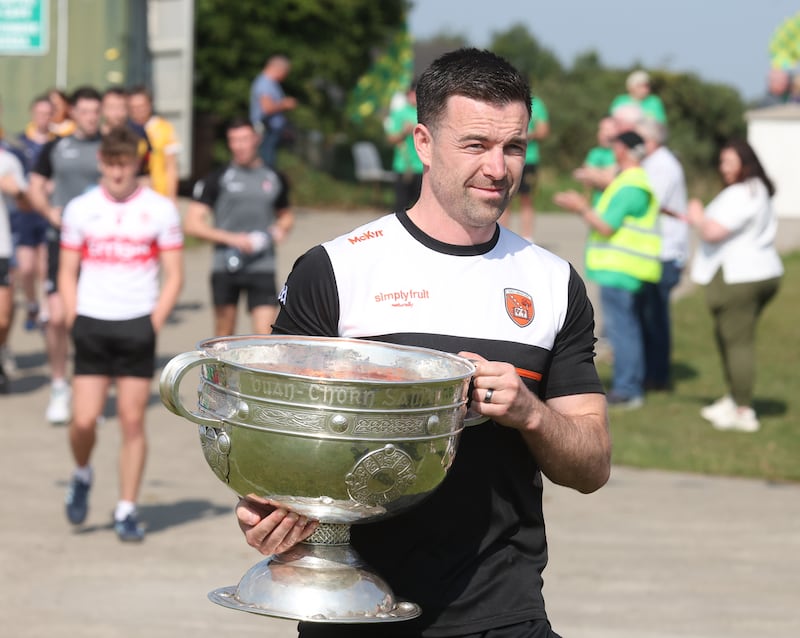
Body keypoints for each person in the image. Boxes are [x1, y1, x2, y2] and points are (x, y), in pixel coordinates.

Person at [235, 48, 611, 638]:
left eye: (513, 147)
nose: (498, 167)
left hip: (500, 610)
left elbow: (592, 465)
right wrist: (264, 515)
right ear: (423, 142)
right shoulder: (336, 270)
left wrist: (529, 413)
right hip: (352, 606)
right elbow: (276, 436)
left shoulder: (553, 283)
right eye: (476, 145)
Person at [58, 126, 184, 541]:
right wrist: (75, 315)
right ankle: (82, 472)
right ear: (101, 163)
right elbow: (66, 270)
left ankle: (126, 508)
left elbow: (174, 275)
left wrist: (154, 321)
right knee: (84, 420)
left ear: (137, 163)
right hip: (92, 322)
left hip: (136, 324)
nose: (117, 172)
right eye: (110, 164)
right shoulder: (79, 208)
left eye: (124, 164)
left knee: (132, 421)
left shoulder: (160, 209)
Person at [554, 131, 662, 409]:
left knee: (622, 331)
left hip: (621, 269)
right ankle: (631, 384)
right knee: (628, 329)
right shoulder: (629, 181)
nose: (613, 150)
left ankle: (627, 389)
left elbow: (605, 225)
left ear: (623, 150)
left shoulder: (630, 186)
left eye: (616, 145)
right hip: (624, 270)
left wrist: (581, 207)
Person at [687, 139, 783, 433]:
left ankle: (744, 411)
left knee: (738, 342)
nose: (724, 167)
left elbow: (714, 231)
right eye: (722, 161)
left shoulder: (743, 192)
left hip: (740, 276)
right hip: (760, 271)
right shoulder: (757, 190)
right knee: (731, 337)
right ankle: (733, 398)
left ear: (746, 161)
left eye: (730, 161)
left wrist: (697, 216)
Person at [28, 86, 103, 424]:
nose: (90, 117)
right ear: (73, 113)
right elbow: (33, 188)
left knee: (93, 321)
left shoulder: (110, 147)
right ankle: (60, 385)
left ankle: (90, 389)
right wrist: (50, 214)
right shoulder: (55, 147)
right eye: (84, 111)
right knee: (58, 317)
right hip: (62, 244)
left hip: (100, 248)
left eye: (95, 111)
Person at [184, 118, 293, 336]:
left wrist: (279, 229)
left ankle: (259, 371)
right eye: (233, 140)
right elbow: (192, 224)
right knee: (224, 333)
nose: (239, 146)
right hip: (226, 266)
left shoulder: (274, 176)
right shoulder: (218, 178)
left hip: (262, 265)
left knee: (265, 336)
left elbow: (286, 215)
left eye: (244, 139)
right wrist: (233, 239)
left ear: (256, 139)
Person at [635, 118, 688, 392]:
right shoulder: (655, 163)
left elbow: (648, 200)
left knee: (656, 317)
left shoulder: (663, 165)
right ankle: (651, 372)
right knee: (649, 315)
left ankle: (658, 376)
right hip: (655, 250)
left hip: (665, 251)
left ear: (651, 140)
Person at [13, 95, 54, 331]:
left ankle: (46, 309)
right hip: (25, 214)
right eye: (40, 113)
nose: (43, 118)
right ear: (32, 114)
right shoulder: (19, 143)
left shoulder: (58, 143)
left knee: (45, 266)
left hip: (47, 211)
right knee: (26, 267)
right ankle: (31, 305)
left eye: (48, 113)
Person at [499, 94, 550, 240]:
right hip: (506, 158)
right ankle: (502, 235)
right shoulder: (505, 100)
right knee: (503, 197)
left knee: (527, 199)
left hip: (529, 159)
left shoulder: (537, 104)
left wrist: (524, 136)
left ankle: (527, 237)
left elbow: (544, 130)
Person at [0, 141, 27, 392]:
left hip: (1, 247)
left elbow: (26, 203)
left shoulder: (7, 160)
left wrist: (17, 192)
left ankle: (2, 347)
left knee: (3, 316)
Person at [127, 85, 181, 201]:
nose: (138, 111)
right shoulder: (125, 130)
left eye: (141, 106)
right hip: (131, 193)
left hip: (159, 193)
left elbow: (171, 166)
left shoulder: (164, 128)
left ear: (150, 104)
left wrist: (172, 196)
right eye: (133, 107)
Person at [250, 54, 297, 168]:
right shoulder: (265, 83)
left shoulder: (270, 83)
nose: (285, 76)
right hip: (267, 130)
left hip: (270, 130)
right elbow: (267, 108)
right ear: (279, 69)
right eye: (285, 73)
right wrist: (285, 104)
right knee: (266, 163)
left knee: (268, 160)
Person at [384, 81, 423, 211]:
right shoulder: (399, 113)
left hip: (423, 166)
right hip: (405, 165)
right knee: (401, 204)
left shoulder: (425, 113)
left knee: (421, 206)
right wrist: (404, 132)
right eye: (411, 94)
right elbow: (390, 139)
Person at [101, 86, 151, 178]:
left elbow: (147, 168)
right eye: (112, 107)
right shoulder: (95, 136)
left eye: (121, 107)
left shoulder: (139, 134)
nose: (117, 113)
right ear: (102, 109)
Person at [572, 116, 619, 207]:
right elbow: (586, 180)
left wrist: (592, 175)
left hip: (614, 203)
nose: (603, 133)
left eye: (608, 129)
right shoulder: (594, 153)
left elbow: (611, 181)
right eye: (601, 129)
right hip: (598, 203)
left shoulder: (619, 153)